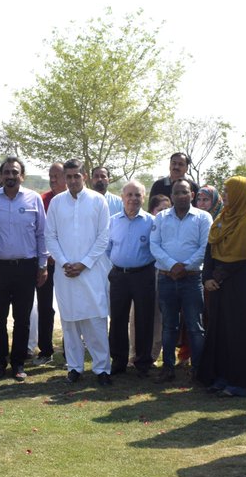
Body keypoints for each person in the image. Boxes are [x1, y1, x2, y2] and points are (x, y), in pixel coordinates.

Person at [0, 157, 47, 382]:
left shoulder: (33, 199)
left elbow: (41, 234)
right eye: (6, 172)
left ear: (22, 176)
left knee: (22, 318)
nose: (10, 176)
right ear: (0, 176)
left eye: (14, 172)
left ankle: (18, 364)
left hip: (25, 267)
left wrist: (42, 265)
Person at [46, 159, 112, 385]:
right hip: (65, 273)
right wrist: (64, 262)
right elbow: (50, 236)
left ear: (84, 176)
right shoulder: (56, 203)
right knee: (70, 321)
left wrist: (84, 263)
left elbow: (103, 238)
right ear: (64, 178)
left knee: (95, 320)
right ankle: (74, 367)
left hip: (92, 271)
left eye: (77, 176)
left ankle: (102, 369)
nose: (73, 180)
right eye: (69, 176)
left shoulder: (98, 200)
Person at [198, 176, 246, 396]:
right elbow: (210, 248)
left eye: (229, 191)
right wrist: (207, 277)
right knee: (221, 330)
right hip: (219, 282)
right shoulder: (223, 217)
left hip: (240, 282)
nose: (225, 195)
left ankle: (243, 382)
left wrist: (216, 277)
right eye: (224, 191)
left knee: (240, 331)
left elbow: (244, 255)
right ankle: (222, 376)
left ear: (240, 193)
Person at [151, 178, 211, 382]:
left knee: (195, 326)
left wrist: (185, 267)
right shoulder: (161, 218)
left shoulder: (203, 218)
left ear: (192, 195)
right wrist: (172, 265)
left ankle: (198, 370)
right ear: (171, 196)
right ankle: (167, 368)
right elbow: (154, 245)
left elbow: (205, 247)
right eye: (176, 193)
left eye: (185, 192)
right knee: (169, 326)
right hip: (167, 279)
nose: (180, 196)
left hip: (192, 279)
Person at [106, 180, 155, 377]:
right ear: (122, 197)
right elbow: (108, 248)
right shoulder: (113, 220)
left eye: (138, 195)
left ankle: (143, 363)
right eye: (129, 195)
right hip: (119, 275)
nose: (133, 199)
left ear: (144, 198)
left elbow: (155, 248)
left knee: (144, 320)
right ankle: (118, 361)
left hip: (144, 275)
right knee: (117, 319)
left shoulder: (151, 222)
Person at [34, 161, 67, 366]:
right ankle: (45, 350)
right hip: (47, 264)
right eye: (50, 175)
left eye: (57, 175)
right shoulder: (42, 199)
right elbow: (39, 232)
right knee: (45, 308)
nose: (53, 179)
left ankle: (69, 352)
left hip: (68, 265)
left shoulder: (72, 200)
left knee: (68, 308)